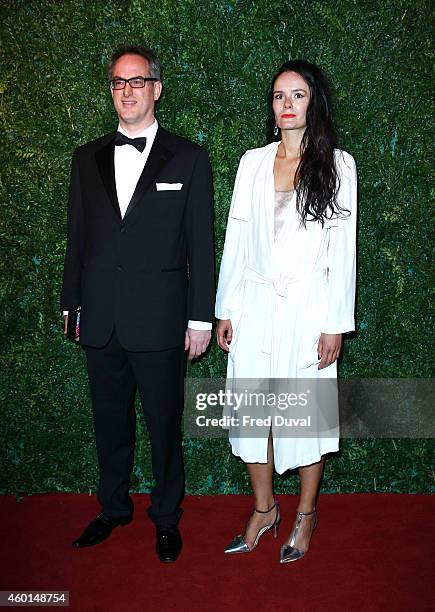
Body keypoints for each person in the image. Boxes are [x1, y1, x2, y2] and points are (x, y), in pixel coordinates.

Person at [61, 45, 215, 563]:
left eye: (136, 81)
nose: (126, 91)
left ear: (157, 88)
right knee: (109, 422)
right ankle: (113, 508)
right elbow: (77, 237)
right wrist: (71, 303)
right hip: (100, 318)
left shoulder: (190, 158)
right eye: (117, 82)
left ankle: (167, 518)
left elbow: (201, 246)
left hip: (162, 320)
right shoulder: (86, 158)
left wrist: (200, 317)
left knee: (164, 426)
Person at [216, 59, 357, 563]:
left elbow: (344, 252)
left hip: (307, 308)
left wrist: (335, 323)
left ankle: (305, 514)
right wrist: (225, 309)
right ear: (271, 106)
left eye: (298, 95)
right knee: (252, 411)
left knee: (304, 418)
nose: (287, 105)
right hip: (253, 304)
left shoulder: (339, 165)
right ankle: (263, 509)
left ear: (313, 102)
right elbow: (235, 239)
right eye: (279, 96)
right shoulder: (251, 162)